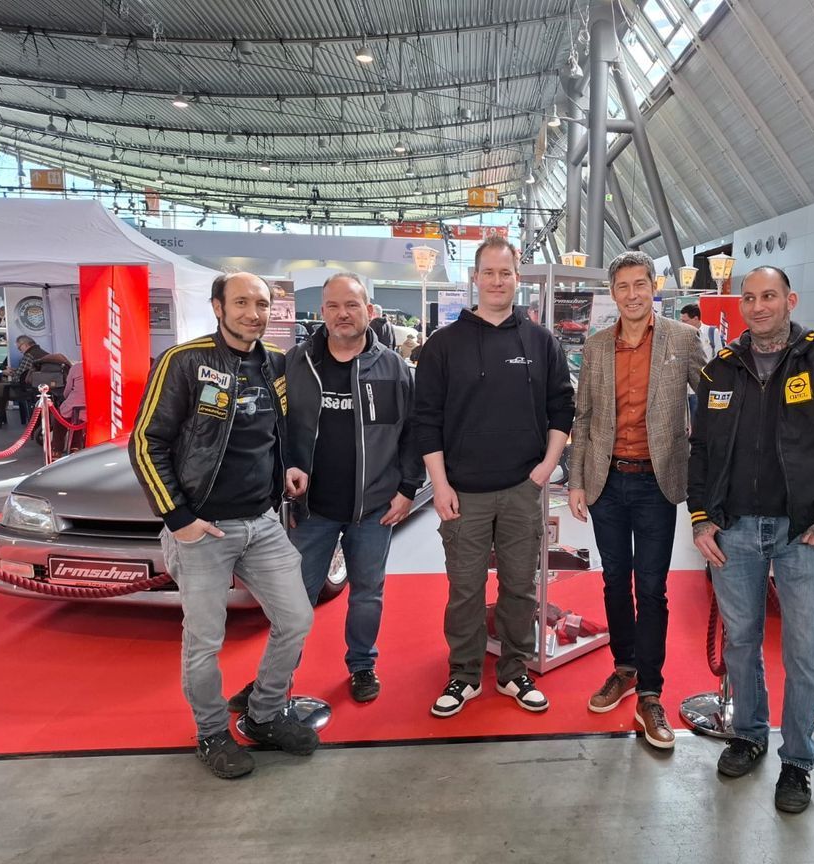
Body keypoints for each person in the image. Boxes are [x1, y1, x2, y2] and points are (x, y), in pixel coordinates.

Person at [687, 265, 814, 812]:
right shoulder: (718, 371)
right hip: (733, 532)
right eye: (749, 298)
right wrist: (702, 517)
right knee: (741, 643)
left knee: (803, 650)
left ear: (790, 300)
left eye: (769, 296)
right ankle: (749, 735)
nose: (758, 307)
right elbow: (701, 450)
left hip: (802, 535)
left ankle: (797, 762)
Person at [130, 272, 317, 780]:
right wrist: (179, 519)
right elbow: (146, 442)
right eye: (241, 303)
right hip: (203, 529)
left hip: (262, 522)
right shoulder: (183, 361)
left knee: (296, 619)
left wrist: (288, 468)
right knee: (205, 642)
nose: (253, 313)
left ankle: (263, 714)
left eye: (261, 304)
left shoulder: (274, 362)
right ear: (218, 307)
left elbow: (275, 430)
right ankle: (211, 732)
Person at [414, 235, 574, 718]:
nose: (498, 281)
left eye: (506, 273)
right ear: (475, 278)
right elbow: (426, 419)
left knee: (519, 586)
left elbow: (562, 408)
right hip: (463, 493)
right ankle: (464, 674)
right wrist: (440, 484)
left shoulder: (542, 342)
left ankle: (513, 670)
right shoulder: (443, 345)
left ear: (517, 278)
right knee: (464, 589)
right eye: (489, 272)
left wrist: (545, 468)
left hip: (523, 489)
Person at [568, 252, 705, 750]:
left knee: (651, 589)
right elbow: (584, 416)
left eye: (640, 284)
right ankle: (623, 668)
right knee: (613, 580)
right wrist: (577, 480)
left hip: (655, 484)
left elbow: (714, 402)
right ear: (613, 292)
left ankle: (650, 692)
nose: (632, 294)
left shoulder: (682, 340)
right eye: (623, 286)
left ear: (654, 287)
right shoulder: (597, 345)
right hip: (606, 482)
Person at [282, 273, 424, 702]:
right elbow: (278, 427)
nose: (342, 314)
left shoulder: (393, 367)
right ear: (322, 312)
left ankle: (362, 665)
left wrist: (407, 489)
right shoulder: (297, 363)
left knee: (367, 595)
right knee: (295, 599)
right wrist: (286, 470)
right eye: (333, 306)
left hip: (374, 509)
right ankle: (276, 678)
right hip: (313, 509)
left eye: (352, 305)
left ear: (369, 311)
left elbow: (413, 433)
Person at [0, 335, 48, 422]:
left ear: (25, 345)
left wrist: (10, 373)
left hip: (21, 390)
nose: (20, 351)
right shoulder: (43, 353)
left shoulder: (29, 355)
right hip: (35, 388)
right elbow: (27, 373)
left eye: (19, 348)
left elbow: (17, 379)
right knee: (1, 386)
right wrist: (16, 371)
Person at [679, 303, 719, 418]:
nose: (682, 323)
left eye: (685, 321)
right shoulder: (680, 335)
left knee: (699, 422)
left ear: (695, 319)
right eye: (681, 321)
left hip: (702, 389)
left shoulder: (711, 333)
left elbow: (719, 358)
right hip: (683, 391)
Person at [50, 360, 86, 458]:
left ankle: (56, 449)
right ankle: (75, 447)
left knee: (61, 418)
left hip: (75, 405)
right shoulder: (107, 366)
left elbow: (67, 390)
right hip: (96, 407)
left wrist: (66, 397)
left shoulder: (77, 367)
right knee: (79, 419)